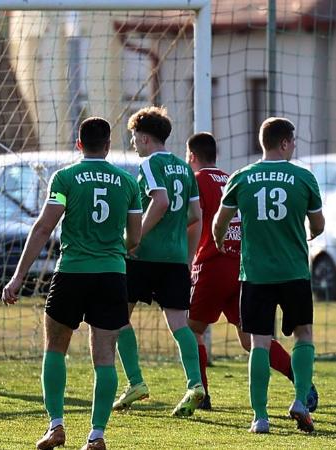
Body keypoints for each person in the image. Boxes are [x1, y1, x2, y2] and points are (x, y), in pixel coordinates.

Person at [3, 117, 143, 450]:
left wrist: (18, 276)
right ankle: (96, 434)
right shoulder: (127, 182)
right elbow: (135, 238)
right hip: (111, 275)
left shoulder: (65, 178)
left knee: (54, 348)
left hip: (72, 272)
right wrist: (111, 250)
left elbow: (43, 228)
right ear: (108, 145)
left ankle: (55, 426)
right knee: (105, 357)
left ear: (79, 144)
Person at [185, 132, 318, 412]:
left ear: (192, 156)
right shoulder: (226, 176)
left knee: (190, 329)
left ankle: (202, 393)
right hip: (241, 264)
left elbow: (196, 219)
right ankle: (298, 376)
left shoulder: (200, 180)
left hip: (213, 263)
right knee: (250, 338)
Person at [213, 117, 324, 434]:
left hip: (256, 274)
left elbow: (220, 223)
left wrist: (220, 241)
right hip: (293, 272)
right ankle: (300, 400)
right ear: (285, 142)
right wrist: (309, 235)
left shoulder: (242, 177)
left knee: (259, 343)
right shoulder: (303, 177)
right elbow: (318, 225)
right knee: (304, 334)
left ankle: (260, 418)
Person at [112, 106, 206, 417]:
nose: (133, 142)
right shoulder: (183, 168)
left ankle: (136, 382)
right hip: (175, 259)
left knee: (118, 318)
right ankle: (194, 384)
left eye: (134, 137)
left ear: (144, 137)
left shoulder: (149, 163)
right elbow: (196, 217)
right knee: (180, 326)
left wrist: (134, 238)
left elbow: (161, 201)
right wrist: (188, 256)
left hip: (142, 256)